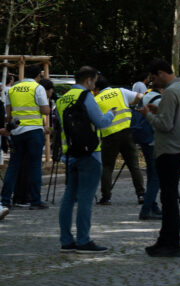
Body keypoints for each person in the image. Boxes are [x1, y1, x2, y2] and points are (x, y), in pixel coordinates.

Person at [56, 66, 115, 253]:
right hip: (89, 153)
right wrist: (111, 113)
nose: (95, 85)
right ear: (89, 80)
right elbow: (102, 122)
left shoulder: (61, 100)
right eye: (95, 81)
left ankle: (66, 240)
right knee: (85, 199)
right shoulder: (86, 97)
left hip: (70, 153)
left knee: (68, 198)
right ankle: (83, 240)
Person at [141, 59, 180, 257]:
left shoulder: (171, 92)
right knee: (168, 197)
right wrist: (159, 111)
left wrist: (147, 114)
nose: (153, 83)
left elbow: (165, 125)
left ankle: (172, 244)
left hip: (169, 150)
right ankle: (164, 240)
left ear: (162, 74)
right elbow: (176, 116)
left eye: (154, 78)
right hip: (179, 148)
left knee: (169, 199)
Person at [1, 64, 51, 216]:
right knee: (35, 165)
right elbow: (45, 110)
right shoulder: (38, 88)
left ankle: (4, 200)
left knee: (13, 166)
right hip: (34, 132)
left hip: (16, 132)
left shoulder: (13, 88)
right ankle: (35, 201)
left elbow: (8, 114)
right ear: (38, 76)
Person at [93, 77, 144, 205]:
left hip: (109, 136)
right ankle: (141, 195)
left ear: (97, 89)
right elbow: (140, 96)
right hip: (127, 132)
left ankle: (106, 197)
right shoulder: (120, 91)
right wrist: (133, 105)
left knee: (107, 167)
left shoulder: (96, 100)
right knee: (134, 166)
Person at [134, 89, 162, 221]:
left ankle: (153, 206)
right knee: (156, 176)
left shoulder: (145, 97)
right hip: (154, 141)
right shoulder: (159, 99)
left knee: (152, 174)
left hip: (144, 139)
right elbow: (160, 123)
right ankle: (146, 209)